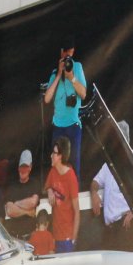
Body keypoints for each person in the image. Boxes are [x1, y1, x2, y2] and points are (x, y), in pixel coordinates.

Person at [91, 119, 133, 252]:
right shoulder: (109, 163)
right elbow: (95, 182)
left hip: (126, 227)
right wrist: (94, 194)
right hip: (109, 230)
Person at [43, 44, 88, 173]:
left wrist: (71, 77)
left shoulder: (77, 67)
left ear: (72, 51)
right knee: (57, 166)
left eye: (69, 51)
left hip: (73, 124)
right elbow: (47, 99)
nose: (67, 55)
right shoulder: (54, 73)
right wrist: (59, 74)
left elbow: (83, 94)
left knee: (73, 166)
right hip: (58, 125)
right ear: (61, 52)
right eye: (64, 52)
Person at [44, 136, 80, 253]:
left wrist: (73, 239)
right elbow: (45, 187)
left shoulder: (71, 177)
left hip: (67, 237)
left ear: (61, 156)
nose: (51, 155)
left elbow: (77, 211)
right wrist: (49, 190)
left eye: (54, 153)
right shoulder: (53, 171)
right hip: (55, 236)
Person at [3, 149, 43, 238]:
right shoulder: (12, 186)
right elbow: (9, 211)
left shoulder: (35, 184)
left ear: (30, 167)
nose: (23, 170)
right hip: (14, 236)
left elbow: (33, 202)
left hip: (30, 236)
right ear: (18, 168)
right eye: (21, 167)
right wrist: (27, 212)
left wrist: (16, 204)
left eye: (25, 167)